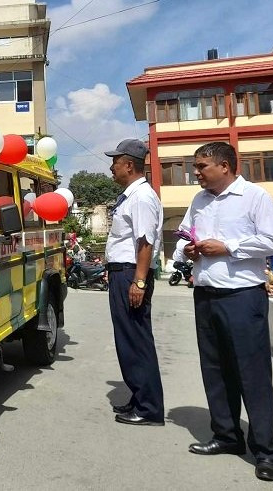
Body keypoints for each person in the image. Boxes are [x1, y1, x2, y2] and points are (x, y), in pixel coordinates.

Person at [177, 142, 273, 482]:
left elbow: (272, 241)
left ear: (224, 166)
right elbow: (183, 235)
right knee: (216, 369)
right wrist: (188, 248)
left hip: (242, 296)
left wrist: (228, 247)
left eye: (201, 166)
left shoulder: (255, 197)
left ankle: (266, 451)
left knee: (252, 374)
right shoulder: (199, 200)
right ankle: (226, 436)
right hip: (206, 294)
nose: (195, 173)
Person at [103, 139, 165, 426]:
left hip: (132, 273)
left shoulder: (141, 197)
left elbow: (145, 242)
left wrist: (138, 282)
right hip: (123, 272)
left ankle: (149, 407)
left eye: (115, 162)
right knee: (128, 339)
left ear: (129, 165)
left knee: (136, 340)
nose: (112, 167)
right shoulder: (131, 196)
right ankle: (140, 398)